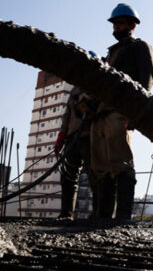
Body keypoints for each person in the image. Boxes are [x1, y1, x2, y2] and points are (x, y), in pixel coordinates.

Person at [90, 3, 153, 220]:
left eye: (120, 23)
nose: (116, 27)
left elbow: (146, 79)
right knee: (102, 166)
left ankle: (123, 216)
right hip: (101, 113)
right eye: (115, 24)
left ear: (132, 25)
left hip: (121, 110)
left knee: (121, 163)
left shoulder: (139, 46)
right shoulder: (111, 52)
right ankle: (103, 215)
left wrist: (135, 112)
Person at [55, 67, 99, 219]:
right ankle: (66, 214)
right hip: (73, 137)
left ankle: (99, 214)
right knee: (68, 176)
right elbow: (67, 114)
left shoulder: (97, 84)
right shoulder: (75, 89)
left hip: (90, 136)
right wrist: (62, 134)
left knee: (95, 175)